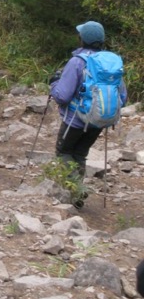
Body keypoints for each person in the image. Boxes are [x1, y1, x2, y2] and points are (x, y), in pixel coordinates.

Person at [49, 20, 127, 209]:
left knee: (64, 152)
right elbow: (122, 97)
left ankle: (76, 189)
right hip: (98, 121)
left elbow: (62, 96)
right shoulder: (109, 64)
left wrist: (53, 83)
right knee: (80, 154)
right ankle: (76, 195)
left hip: (75, 120)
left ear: (82, 39)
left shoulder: (77, 62)